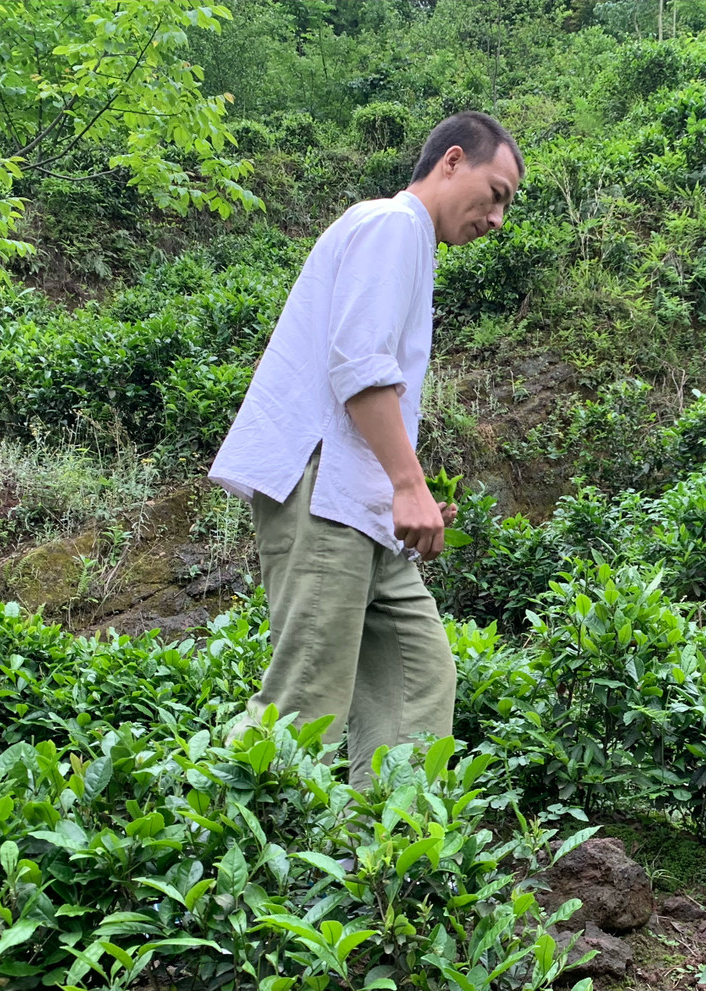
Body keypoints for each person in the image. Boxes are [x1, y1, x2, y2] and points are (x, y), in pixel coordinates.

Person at [210, 111, 523, 789]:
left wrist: (396, 492)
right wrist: (411, 486)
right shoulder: (391, 224)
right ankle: (206, 862)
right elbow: (358, 365)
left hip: (360, 502)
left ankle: (377, 867)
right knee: (304, 703)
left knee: (419, 675)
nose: (498, 219)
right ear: (452, 161)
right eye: (496, 194)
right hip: (321, 489)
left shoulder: (409, 242)